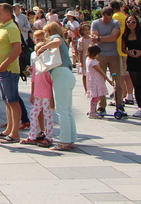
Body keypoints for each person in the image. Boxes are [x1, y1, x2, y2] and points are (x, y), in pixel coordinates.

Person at [37, 22, 78, 151]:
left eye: (45, 32)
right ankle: (71, 139)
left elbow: (57, 42)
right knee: (67, 110)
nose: (45, 35)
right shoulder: (61, 40)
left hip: (61, 75)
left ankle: (64, 140)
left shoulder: (57, 37)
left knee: (62, 111)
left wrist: (42, 48)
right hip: (66, 75)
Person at [0, 3, 22, 143]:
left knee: (13, 101)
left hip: (9, 70)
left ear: (8, 14)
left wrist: (4, 64)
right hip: (1, 70)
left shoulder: (11, 27)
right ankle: (9, 129)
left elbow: (17, 49)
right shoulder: (2, 27)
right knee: (7, 101)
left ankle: (15, 133)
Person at [89, 7, 126, 118]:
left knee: (117, 80)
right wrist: (104, 38)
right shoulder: (96, 23)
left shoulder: (116, 23)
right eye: (106, 18)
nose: (108, 20)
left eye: (109, 18)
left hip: (114, 54)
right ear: (102, 15)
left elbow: (114, 37)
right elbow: (93, 38)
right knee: (100, 80)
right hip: (101, 55)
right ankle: (101, 106)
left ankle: (119, 104)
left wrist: (100, 38)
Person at [21, 30, 54, 147]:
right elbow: (34, 79)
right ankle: (33, 134)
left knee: (47, 115)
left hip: (46, 94)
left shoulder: (47, 66)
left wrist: (52, 98)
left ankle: (48, 135)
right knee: (33, 114)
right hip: (38, 93)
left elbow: (51, 82)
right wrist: (32, 93)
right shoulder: (36, 65)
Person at [86, 45, 113, 119]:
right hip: (96, 81)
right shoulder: (93, 62)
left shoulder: (89, 60)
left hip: (93, 79)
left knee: (96, 96)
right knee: (96, 96)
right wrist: (108, 80)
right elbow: (101, 71)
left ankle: (93, 110)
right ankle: (92, 111)